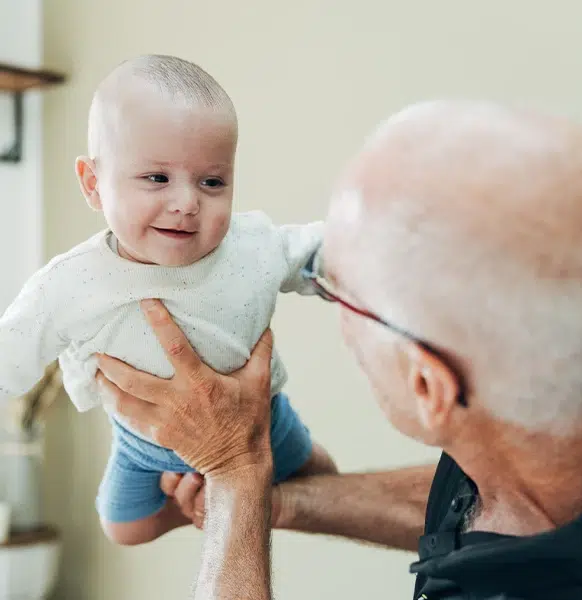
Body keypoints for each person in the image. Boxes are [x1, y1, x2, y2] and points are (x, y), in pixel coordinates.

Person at [97, 99, 582, 600]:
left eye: (339, 291)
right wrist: (279, 503)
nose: (337, 319)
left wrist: (234, 472)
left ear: (428, 387)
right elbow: (503, 497)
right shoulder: (535, 446)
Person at [0, 54, 336, 547]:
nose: (186, 203)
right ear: (94, 184)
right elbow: (11, 352)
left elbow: (320, 249)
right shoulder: (68, 285)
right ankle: (190, 508)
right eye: (157, 178)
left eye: (212, 182)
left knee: (324, 481)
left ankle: (226, 494)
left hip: (260, 421)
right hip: (143, 446)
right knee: (124, 528)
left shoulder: (252, 245)